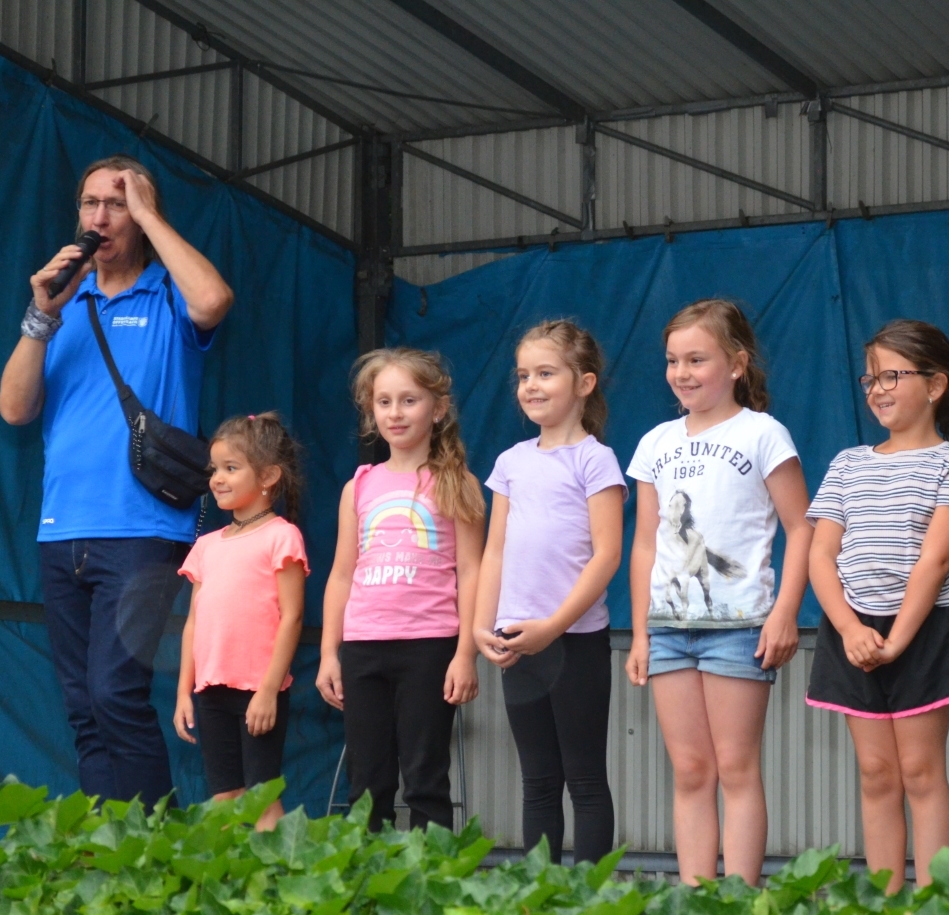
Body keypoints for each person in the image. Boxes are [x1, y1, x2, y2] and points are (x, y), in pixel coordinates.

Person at [0, 154, 233, 808]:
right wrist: (40, 315)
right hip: (61, 530)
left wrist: (149, 213)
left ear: (144, 215)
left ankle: (153, 844)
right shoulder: (65, 304)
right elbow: (14, 409)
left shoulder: (168, 295)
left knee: (115, 692)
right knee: (83, 705)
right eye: (91, 202)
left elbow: (214, 300)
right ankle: (106, 847)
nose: (100, 216)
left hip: (143, 529)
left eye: (118, 203)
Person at [625, 299, 813, 885]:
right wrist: (640, 633)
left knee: (735, 767)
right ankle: (695, 897)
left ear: (736, 364)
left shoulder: (763, 433)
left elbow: (803, 527)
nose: (681, 372)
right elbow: (645, 545)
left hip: (739, 628)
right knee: (689, 770)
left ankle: (742, 902)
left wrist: (784, 613)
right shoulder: (655, 442)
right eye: (672, 360)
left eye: (696, 359)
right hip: (667, 630)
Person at [804, 319, 949, 892]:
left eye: (891, 376)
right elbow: (820, 555)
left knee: (919, 771)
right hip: (853, 630)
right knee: (876, 773)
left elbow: (935, 560)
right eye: (870, 379)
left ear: (935, 385)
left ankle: (937, 906)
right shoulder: (847, 463)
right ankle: (883, 908)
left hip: (924, 627)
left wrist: (897, 641)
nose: (877, 389)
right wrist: (849, 628)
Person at [474, 320, 626, 865]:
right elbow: (494, 551)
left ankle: (588, 899)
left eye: (545, 373)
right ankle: (540, 896)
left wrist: (554, 626)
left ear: (584, 383)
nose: (531, 386)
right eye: (523, 376)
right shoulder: (510, 462)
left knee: (584, 778)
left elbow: (607, 554)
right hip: (518, 639)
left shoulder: (594, 459)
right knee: (537, 780)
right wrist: (480, 625)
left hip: (575, 641)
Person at [316, 349, 485, 831]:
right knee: (367, 785)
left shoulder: (458, 483)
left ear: (439, 408)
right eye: (384, 401)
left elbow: (472, 571)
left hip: (429, 646)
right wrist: (329, 654)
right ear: (371, 411)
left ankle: (431, 872)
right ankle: (369, 874)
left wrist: (465, 654)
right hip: (363, 647)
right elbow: (341, 574)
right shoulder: (358, 486)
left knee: (425, 779)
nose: (395, 412)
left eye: (409, 400)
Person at [173, 413, 307, 832]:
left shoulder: (281, 536)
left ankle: (282, 869)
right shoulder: (207, 545)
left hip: (258, 689)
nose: (217, 479)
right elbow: (193, 622)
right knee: (224, 797)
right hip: (211, 691)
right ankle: (228, 872)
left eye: (231, 468)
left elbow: (292, 617)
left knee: (262, 798)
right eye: (215, 469)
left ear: (268, 476)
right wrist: (183, 691)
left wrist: (268, 690)